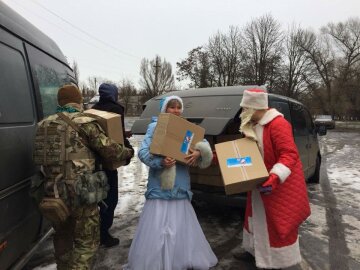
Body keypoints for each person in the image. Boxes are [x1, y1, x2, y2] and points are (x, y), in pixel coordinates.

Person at [33, 85, 133, 269]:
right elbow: (111, 151)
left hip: (52, 190)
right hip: (81, 191)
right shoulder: (84, 122)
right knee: (86, 241)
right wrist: (128, 151)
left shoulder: (43, 125)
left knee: (62, 235)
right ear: (79, 100)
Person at [123, 95, 218, 270]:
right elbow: (143, 152)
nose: (175, 110)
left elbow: (202, 143)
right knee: (157, 229)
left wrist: (199, 152)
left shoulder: (188, 129)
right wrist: (160, 163)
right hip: (159, 186)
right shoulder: (155, 127)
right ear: (164, 110)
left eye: (178, 107)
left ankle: (179, 260)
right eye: (171, 107)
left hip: (180, 186)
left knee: (179, 228)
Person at [238, 88, 311, 269]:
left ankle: (278, 261)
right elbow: (241, 152)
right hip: (259, 183)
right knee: (255, 219)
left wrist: (275, 176)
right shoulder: (252, 125)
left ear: (255, 108)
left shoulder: (278, 124)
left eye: (245, 108)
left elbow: (289, 154)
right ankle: (254, 252)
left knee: (277, 224)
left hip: (279, 186)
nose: (242, 113)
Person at [92, 83, 134, 248]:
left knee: (95, 198)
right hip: (109, 162)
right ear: (114, 94)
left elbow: (101, 133)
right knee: (111, 199)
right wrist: (127, 148)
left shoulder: (93, 109)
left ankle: (94, 231)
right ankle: (103, 234)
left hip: (93, 163)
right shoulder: (116, 109)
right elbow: (115, 138)